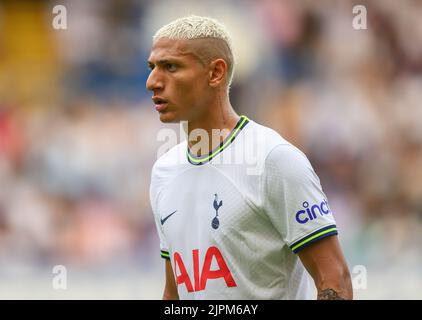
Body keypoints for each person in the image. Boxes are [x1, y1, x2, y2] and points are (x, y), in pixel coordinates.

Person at [147, 15, 352, 300]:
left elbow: (334, 280)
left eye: (171, 67)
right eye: (152, 67)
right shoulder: (163, 172)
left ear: (216, 73)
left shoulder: (273, 159)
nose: (152, 82)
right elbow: (175, 294)